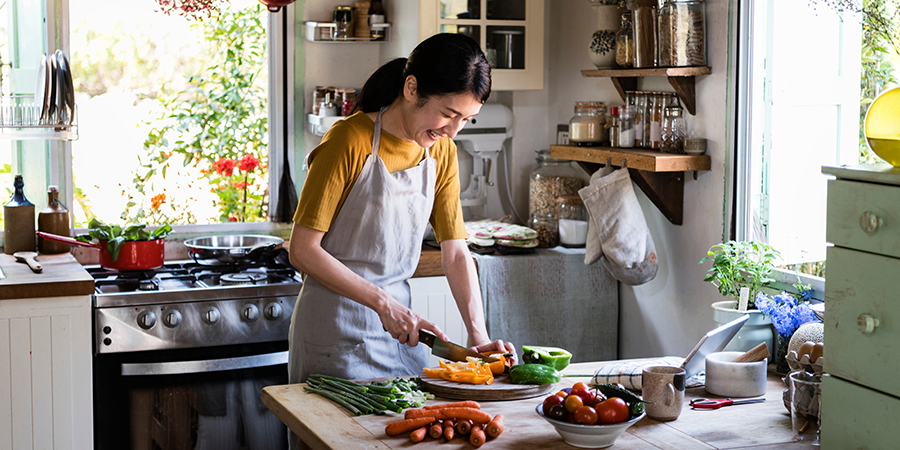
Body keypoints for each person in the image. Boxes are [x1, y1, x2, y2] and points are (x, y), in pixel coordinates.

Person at [287, 34, 516, 388]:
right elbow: (303, 250)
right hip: (335, 332)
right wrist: (382, 303)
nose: (453, 131)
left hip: (402, 332)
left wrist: (478, 335)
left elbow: (455, 253)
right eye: (447, 114)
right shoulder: (348, 140)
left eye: (466, 120)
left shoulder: (441, 153)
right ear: (412, 88)